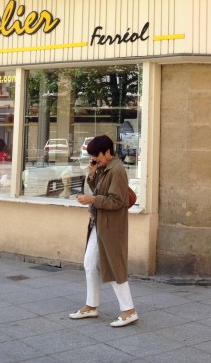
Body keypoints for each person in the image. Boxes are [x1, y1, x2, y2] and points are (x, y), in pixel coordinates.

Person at [69, 134, 138, 327]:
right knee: (90, 263)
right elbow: (100, 190)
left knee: (114, 266)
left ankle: (129, 310)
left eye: (97, 156)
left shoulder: (117, 170)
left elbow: (116, 201)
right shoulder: (104, 167)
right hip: (98, 223)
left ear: (108, 152)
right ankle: (91, 305)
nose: (95, 159)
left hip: (112, 226)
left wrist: (91, 200)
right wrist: (92, 174)